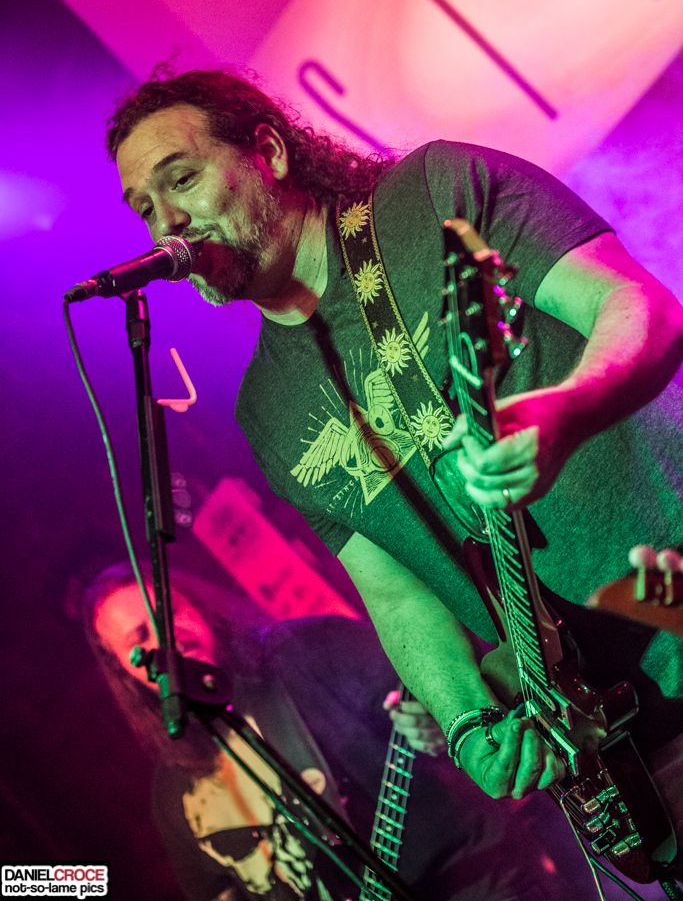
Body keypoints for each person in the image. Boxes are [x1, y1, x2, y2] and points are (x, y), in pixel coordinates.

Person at [105, 69, 683, 876]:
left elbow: (638, 307)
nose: (165, 221)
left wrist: (565, 411)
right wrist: (468, 723)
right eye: (144, 207)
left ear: (268, 151)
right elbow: (393, 590)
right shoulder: (266, 410)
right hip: (616, 743)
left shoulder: (435, 191)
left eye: (182, 178)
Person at [84, 563, 591, 901]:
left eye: (168, 612)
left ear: (194, 602)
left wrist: (441, 728)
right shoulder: (173, 790)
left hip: (474, 881)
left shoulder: (309, 649)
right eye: (142, 640)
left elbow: (445, 694)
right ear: (125, 671)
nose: (168, 639)